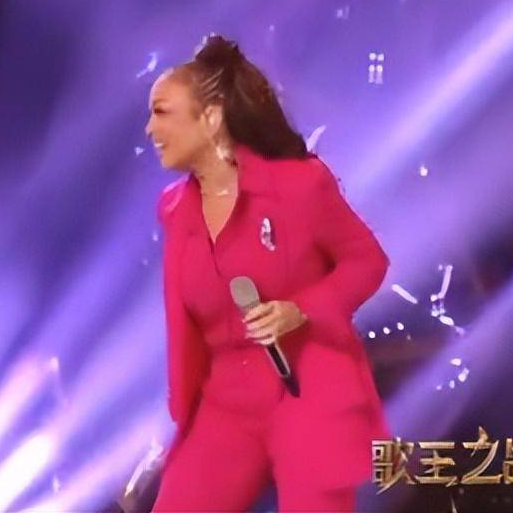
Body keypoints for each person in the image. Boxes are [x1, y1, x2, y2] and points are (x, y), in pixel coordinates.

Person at [145, 35, 391, 512]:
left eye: (162, 112)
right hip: (223, 397)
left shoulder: (300, 185)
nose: (150, 128)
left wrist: (301, 310)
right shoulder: (174, 209)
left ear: (211, 117)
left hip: (306, 383)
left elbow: (367, 262)